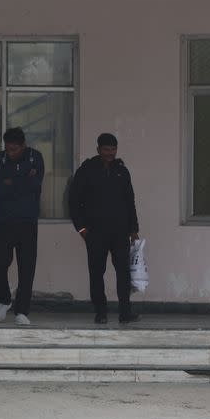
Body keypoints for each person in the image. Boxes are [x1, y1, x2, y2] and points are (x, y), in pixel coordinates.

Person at [68, 133, 140, 325]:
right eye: (106, 149)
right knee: (96, 273)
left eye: (113, 150)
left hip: (120, 232)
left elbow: (129, 201)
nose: (110, 153)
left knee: (123, 273)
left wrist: (133, 229)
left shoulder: (122, 171)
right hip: (95, 233)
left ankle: (125, 312)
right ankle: (100, 312)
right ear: (98, 149)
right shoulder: (86, 170)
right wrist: (82, 229)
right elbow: (74, 202)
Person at [0, 127, 44, 326]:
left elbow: (35, 185)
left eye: (14, 150)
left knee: (27, 267)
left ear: (23, 146)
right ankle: (4, 300)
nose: (10, 153)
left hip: (27, 221)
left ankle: (22, 310)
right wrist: (20, 181)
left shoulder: (35, 157)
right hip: (3, 221)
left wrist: (10, 182)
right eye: (8, 149)